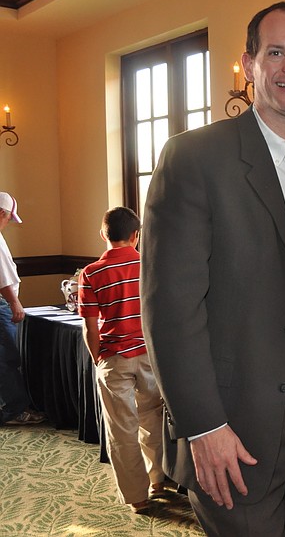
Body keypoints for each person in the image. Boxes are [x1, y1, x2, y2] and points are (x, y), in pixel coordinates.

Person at [140, 1, 285, 537]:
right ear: (248, 64)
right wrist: (204, 426)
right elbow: (171, 310)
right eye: (276, 53)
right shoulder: (193, 158)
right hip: (234, 405)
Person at [77, 207, 167, 514]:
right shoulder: (150, 266)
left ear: (103, 234)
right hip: (150, 354)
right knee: (153, 418)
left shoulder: (90, 274)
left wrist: (97, 358)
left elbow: (90, 328)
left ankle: (137, 496)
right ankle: (158, 479)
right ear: (136, 235)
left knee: (121, 428)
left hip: (114, 357)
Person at [0, 192, 46, 427]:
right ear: (2, 213)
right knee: (7, 357)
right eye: (8, 218)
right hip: (2, 303)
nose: (8, 223)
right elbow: (2, 276)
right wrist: (14, 302)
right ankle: (16, 409)